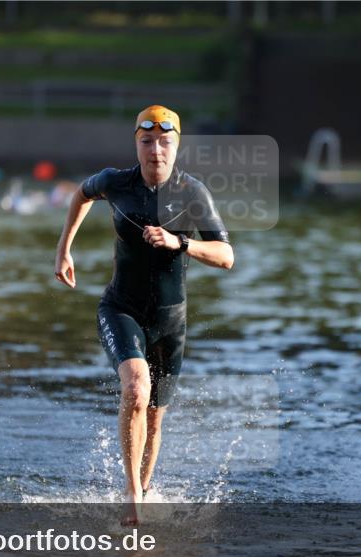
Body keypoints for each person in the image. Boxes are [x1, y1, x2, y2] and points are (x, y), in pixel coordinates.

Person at [54, 105, 234, 524]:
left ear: (177, 146)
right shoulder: (116, 183)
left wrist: (180, 243)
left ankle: (145, 490)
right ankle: (132, 493)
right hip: (121, 308)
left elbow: (227, 256)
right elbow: (80, 194)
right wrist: (64, 248)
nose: (156, 150)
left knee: (154, 417)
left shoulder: (193, 193)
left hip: (172, 320)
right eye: (147, 141)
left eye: (165, 142)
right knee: (136, 389)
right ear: (137, 143)